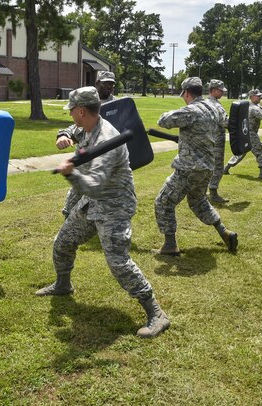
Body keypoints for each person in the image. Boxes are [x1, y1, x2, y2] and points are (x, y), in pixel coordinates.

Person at [34, 87, 170, 339]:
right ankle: (63, 285)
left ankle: (156, 313)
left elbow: (95, 187)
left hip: (113, 206)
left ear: (82, 111)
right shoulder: (87, 126)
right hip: (91, 203)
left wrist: (70, 173)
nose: (71, 115)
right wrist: (63, 134)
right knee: (63, 243)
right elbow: (70, 131)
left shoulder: (106, 139)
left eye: (72, 111)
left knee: (118, 262)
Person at [155, 77, 238, 255]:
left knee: (163, 202)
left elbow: (164, 121)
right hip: (207, 167)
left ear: (186, 93)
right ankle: (224, 232)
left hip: (188, 168)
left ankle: (170, 245)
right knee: (198, 201)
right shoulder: (213, 108)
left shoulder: (191, 110)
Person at [55, 71, 117, 217]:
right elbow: (75, 127)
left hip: (105, 166)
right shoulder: (88, 101)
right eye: (105, 83)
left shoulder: (118, 106)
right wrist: (64, 135)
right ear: (97, 84)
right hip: (84, 164)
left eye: (111, 84)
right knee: (70, 208)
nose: (109, 87)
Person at [223, 89, 262, 179]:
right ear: (252, 97)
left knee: (242, 151)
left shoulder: (248, 106)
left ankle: (226, 168)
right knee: (261, 152)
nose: (260, 97)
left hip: (245, 132)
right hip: (251, 134)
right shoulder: (254, 108)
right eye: (258, 96)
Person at [206, 79, 230, 203]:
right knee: (218, 167)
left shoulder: (204, 103)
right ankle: (213, 193)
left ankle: (202, 192)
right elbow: (225, 122)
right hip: (217, 141)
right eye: (221, 91)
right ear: (214, 90)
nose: (223, 93)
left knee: (206, 166)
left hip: (205, 139)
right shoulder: (217, 106)